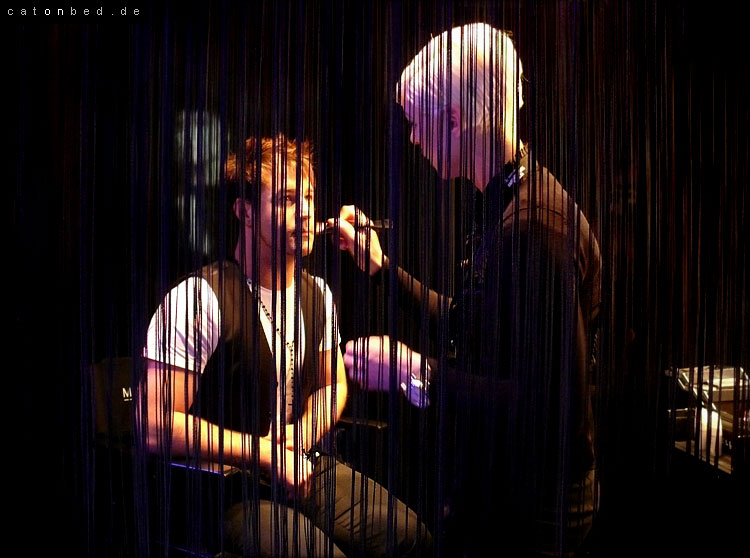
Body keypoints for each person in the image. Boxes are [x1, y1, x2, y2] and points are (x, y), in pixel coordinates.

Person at [333, 24, 601, 557]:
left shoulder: (535, 228)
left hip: (534, 515)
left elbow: (547, 409)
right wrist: (382, 270)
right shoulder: (505, 201)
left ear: (454, 120)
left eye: (416, 122)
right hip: (505, 493)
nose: (413, 138)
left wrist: (411, 371)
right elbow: (472, 322)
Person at [142, 135, 431, 557]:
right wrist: (263, 453)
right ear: (244, 212)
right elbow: (153, 422)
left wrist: (304, 431)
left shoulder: (318, 295)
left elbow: (333, 385)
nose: (307, 211)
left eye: (309, 197)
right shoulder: (198, 300)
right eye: (288, 200)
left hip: (300, 463)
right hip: (227, 484)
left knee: (410, 536)